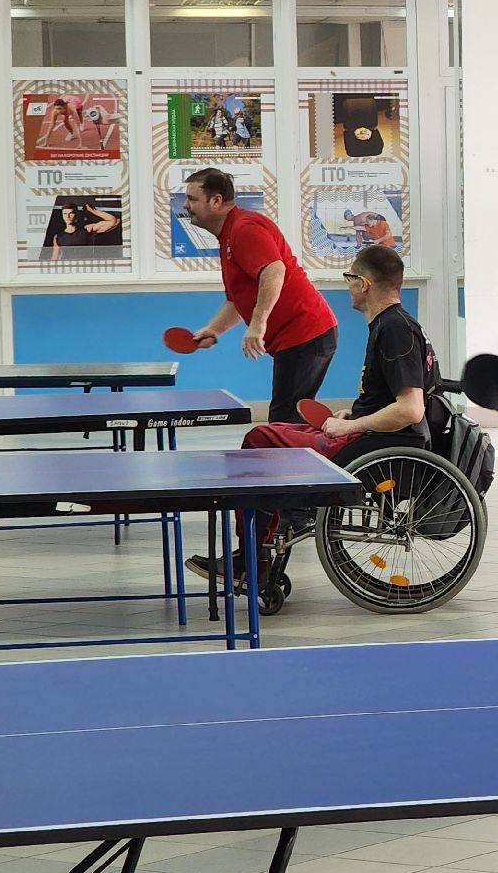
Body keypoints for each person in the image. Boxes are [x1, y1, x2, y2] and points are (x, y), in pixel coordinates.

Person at [185, 244, 436, 584]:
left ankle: (253, 558)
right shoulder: (391, 325)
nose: (348, 286)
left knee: (261, 438)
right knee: (274, 432)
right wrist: (354, 414)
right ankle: (261, 546)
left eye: (349, 278)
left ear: (363, 284)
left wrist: (352, 425)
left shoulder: (394, 330)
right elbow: (394, 398)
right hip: (368, 435)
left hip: (375, 447)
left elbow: (410, 408)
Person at [180, 167, 339, 424]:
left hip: (307, 332)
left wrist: (258, 322)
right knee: (286, 418)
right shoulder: (228, 236)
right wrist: (214, 330)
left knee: (284, 420)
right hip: (298, 338)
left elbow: (274, 270)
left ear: (216, 201)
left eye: (192, 199)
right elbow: (237, 299)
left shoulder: (244, 228)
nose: (186, 205)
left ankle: (305, 463)